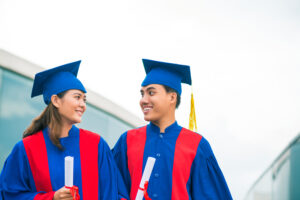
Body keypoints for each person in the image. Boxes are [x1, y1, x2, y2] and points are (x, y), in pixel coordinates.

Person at [0, 61, 128, 200]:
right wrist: (52, 197)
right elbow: (9, 195)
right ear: (56, 100)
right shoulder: (26, 148)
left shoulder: (96, 144)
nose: (83, 105)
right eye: (77, 97)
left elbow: (113, 193)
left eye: (84, 100)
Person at [112, 59, 233, 200]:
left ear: (172, 97)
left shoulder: (196, 145)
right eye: (142, 94)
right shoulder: (127, 141)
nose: (143, 100)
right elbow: (111, 188)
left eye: (151, 93)